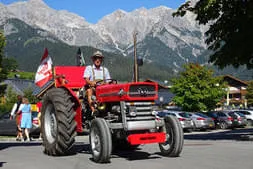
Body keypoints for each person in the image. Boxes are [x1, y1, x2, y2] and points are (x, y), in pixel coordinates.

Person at [83, 51, 111, 115]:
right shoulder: (89, 68)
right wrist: (92, 82)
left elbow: (108, 81)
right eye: (96, 58)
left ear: (101, 60)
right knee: (89, 91)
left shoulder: (105, 70)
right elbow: (86, 79)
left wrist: (105, 83)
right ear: (93, 59)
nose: (97, 60)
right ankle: (94, 110)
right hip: (93, 88)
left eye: (99, 58)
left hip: (103, 89)